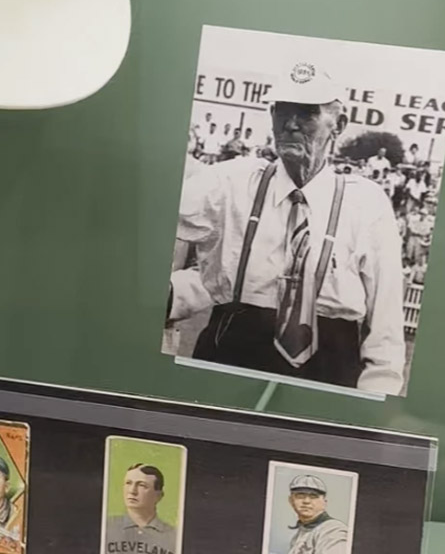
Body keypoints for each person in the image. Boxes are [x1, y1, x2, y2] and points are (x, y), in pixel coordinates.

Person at [168, 61, 406, 394]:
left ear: (339, 123)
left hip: (330, 364)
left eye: (306, 113)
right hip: (232, 352)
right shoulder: (233, 181)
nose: (290, 124)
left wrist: (376, 397)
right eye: (281, 111)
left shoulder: (367, 203)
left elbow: (386, 322)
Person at [104, 464, 177, 554]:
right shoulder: (106, 527)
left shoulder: (174, 536)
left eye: (142, 485)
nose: (132, 491)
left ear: (158, 496)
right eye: (128, 483)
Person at [284, 475, 349, 554]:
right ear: (291, 500)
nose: (306, 501)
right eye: (300, 496)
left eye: (313, 496)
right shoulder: (301, 532)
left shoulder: (333, 530)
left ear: (324, 502)